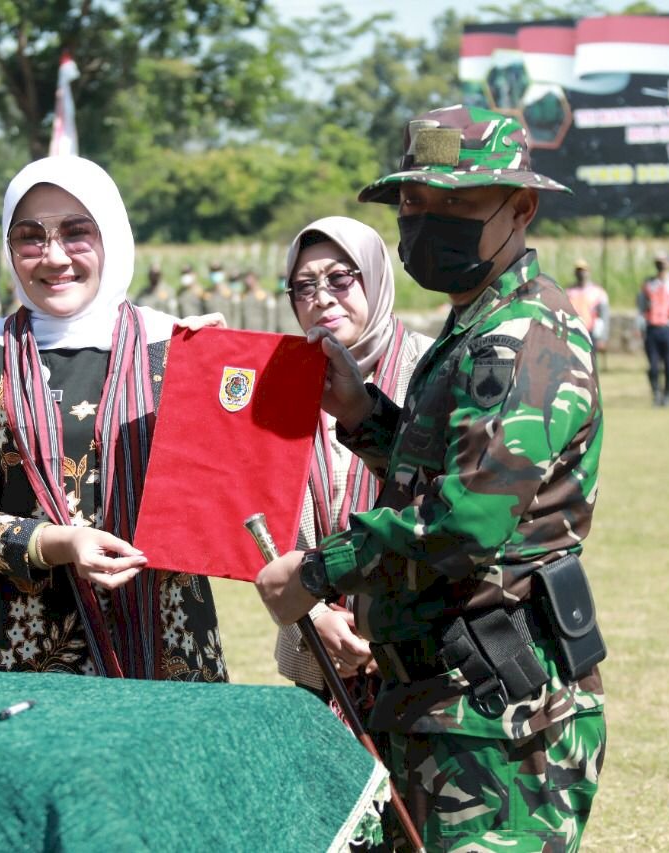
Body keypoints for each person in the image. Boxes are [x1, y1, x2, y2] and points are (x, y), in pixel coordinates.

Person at [255, 106, 606, 851]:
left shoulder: (522, 337)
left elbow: (466, 520)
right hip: (446, 697)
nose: (427, 221)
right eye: (415, 203)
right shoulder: (475, 324)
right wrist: (365, 415)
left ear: (521, 208)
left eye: (457, 202)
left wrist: (320, 568)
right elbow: (446, 473)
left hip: (500, 716)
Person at [0, 155, 227, 680]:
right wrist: (59, 544)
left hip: (169, 644)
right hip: (30, 653)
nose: (54, 256)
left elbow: (228, 491)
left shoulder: (178, 347)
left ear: (112, 235)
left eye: (76, 231)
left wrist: (223, 385)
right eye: (30, 237)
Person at [273, 216, 432, 720]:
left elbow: (446, 510)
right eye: (303, 286)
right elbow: (260, 521)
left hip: (417, 663)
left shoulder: (432, 370)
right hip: (314, 654)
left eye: (341, 278)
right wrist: (313, 612)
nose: (321, 297)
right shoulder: (277, 383)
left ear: (375, 277)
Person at [638, 251, 669, 405]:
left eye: (664, 261)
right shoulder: (648, 284)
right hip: (652, 328)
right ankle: (656, 392)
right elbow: (641, 308)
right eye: (658, 262)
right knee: (654, 366)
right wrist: (641, 327)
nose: (661, 265)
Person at [565, 258, 610, 361]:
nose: (581, 273)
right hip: (572, 332)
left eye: (583, 270)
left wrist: (603, 337)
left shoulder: (598, 292)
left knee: (590, 362)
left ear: (588, 272)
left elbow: (604, 316)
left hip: (590, 332)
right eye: (578, 271)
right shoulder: (568, 291)